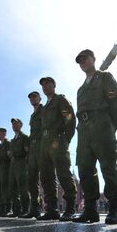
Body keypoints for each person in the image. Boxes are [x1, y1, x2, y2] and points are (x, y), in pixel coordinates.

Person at [71, 49, 117, 225]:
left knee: (108, 167)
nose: (82, 62)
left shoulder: (105, 77)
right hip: (84, 130)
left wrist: (109, 128)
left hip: (101, 125)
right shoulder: (80, 89)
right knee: (85, 169)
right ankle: (90, 210)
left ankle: (114, 208)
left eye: (85, 58)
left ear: (94, 59)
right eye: (79, 60)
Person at [37, 77, 77, 221]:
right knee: (46, 176)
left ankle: (70, 207)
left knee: (63, 173)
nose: (45, 86)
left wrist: (66, 140)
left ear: (54, 85)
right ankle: (52, 209)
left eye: (48, 83)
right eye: (43, 85)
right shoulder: (45, 106)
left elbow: (70, 119)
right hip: (45, 143)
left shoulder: (60, 99)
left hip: (58, 140)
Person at [20, 92, 43, 219]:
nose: (32, 99)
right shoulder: (32, 115)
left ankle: (52, 208)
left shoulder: (44, 110)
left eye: (35, 97)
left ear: (40, 99)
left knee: (46, 177)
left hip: (42, 146)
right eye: (30, 98)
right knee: (32, 180)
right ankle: (34, 208)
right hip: (33, 150)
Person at [8, 118, 30, 217]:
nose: (14, 126)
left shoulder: (25, 137)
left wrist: (14, 153)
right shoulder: (12, 140)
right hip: (13, 165)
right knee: (13, 188)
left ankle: (25, 209)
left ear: (21, 125)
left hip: (21, 164)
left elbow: (26, 151)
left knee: (23, 188)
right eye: (13, 124)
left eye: (16, 124)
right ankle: (16, 210)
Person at [0, 128, 12, 216]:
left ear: (4, 134)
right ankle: (1, 208)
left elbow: (9, 157)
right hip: (0, 169)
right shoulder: (0, 145)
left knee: (5, 189)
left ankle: (8, 208)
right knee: (0, 189)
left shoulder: (8, 143)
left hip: (6, 168)